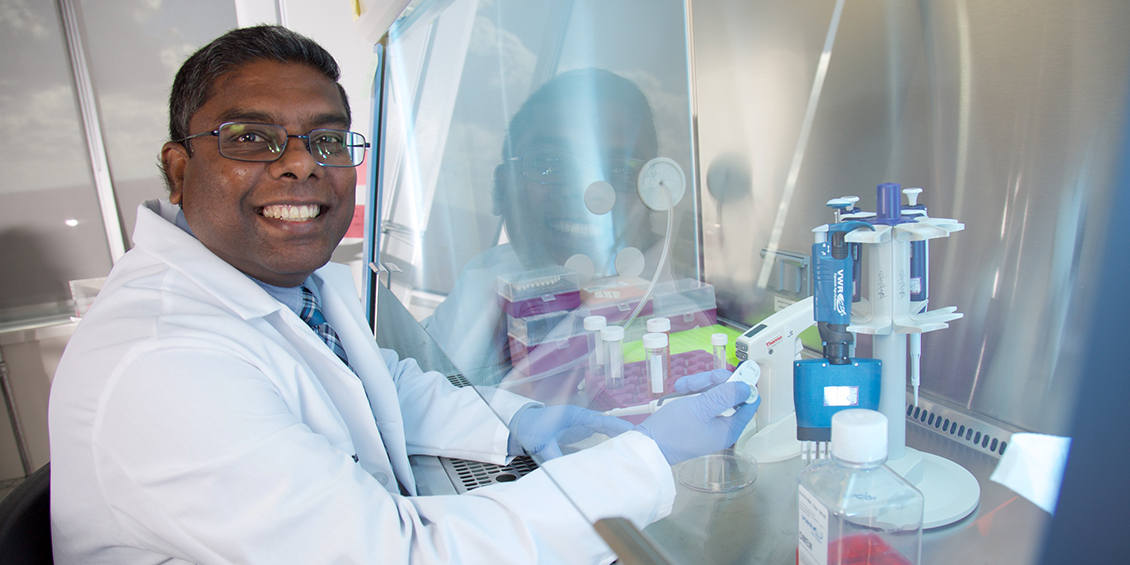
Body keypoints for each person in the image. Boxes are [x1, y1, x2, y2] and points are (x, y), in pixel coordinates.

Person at [48, 25, 757, 564]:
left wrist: (528, 424)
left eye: (327, 142)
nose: (300, 164)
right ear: (178, 170)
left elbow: (386, 385)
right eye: (251, 137)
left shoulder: (288, 284)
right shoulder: (164, 363)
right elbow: (401, 553)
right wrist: (649, 462)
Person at [421, 69, 668, 387]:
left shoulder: (673, 319)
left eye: (620, 169)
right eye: (550, 162)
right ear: (500, 187)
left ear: (653, 197)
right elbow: (418, 380)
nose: (586, 193)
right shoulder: (487, 273)